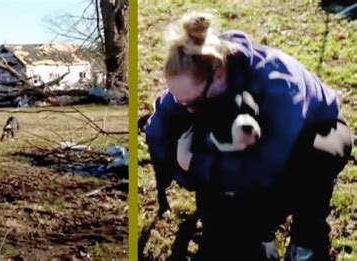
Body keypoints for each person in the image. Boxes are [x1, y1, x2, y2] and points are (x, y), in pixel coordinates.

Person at [145, 13, 353, 260]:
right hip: (250, 150)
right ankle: (253, 232)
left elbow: (266, 168)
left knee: (313, 163)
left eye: (192, 102)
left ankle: (307, 238)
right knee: (228, 240)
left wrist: (194, 163)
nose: (186, 108)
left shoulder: (278, 83)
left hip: (315, 131)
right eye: (180, 101)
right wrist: (185, 171)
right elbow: (156, 132)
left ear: (219, 75)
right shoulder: (195, 74)